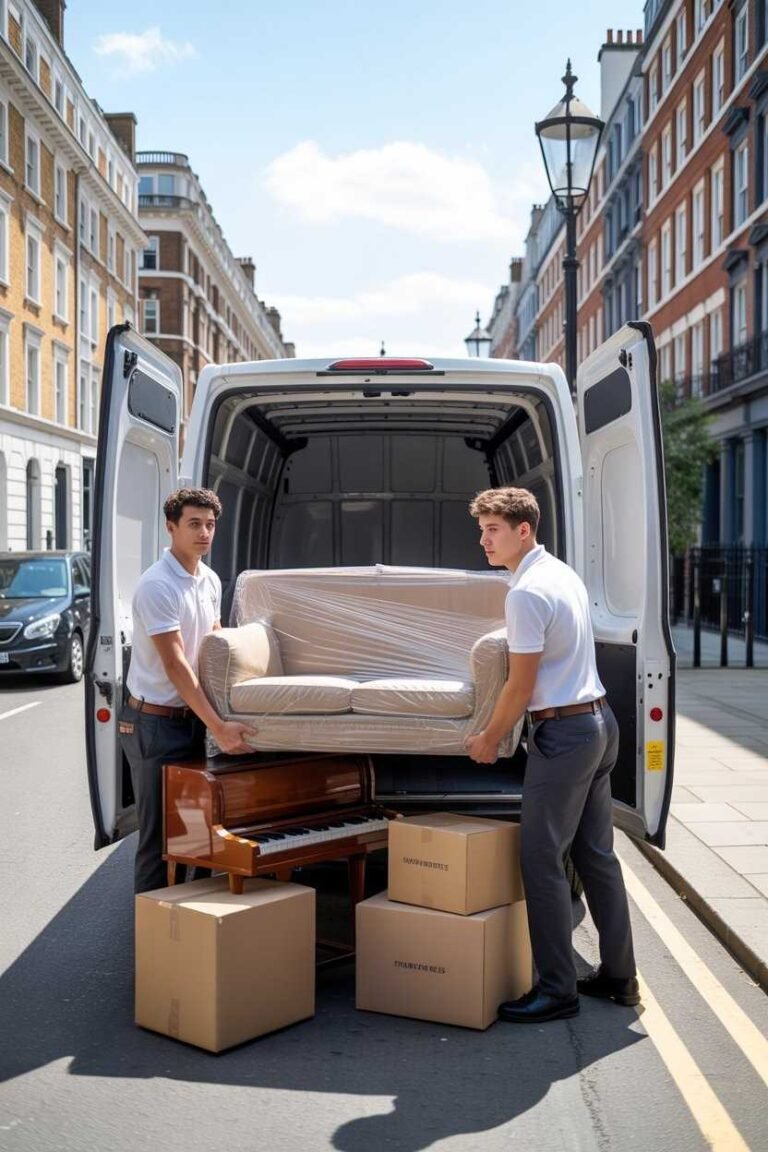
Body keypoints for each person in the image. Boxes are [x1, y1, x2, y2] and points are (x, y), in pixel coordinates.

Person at [465, 486, 639, 1023]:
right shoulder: (560, 572)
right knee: (596, 856)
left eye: (494, 530)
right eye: (482, 530)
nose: (484, 540)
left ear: (524, 530)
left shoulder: (525, 593)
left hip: (564, 735)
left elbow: (520, 686)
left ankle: (556, 990)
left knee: (540, 859)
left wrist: (489, 736)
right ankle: (619, 976)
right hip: (598, 723)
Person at [119, 487, 257, 894]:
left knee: (198, 831)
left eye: (211, 525)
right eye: (194, 524)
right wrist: (218, 724)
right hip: (154, 724)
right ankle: (152, 935)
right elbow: (176, 664)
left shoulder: (210, 580)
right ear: (171, 528)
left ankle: (188, 925)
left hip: (192, 718)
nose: (204, 533)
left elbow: (213, 647)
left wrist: (227, 711)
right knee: (158, 838)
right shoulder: (156, 586)